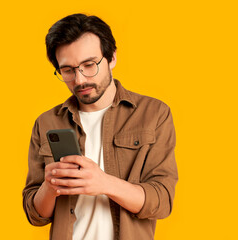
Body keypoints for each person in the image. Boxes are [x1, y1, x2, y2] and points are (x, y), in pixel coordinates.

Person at [22, 13, 178, 240]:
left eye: (89, 64)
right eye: (68, 70)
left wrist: (104, 183)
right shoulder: (46, 123)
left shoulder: (154, 114)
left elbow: (162, 201)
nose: (80, 79)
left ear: (112, 57)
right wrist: (50, 186)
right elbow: (36, 215)